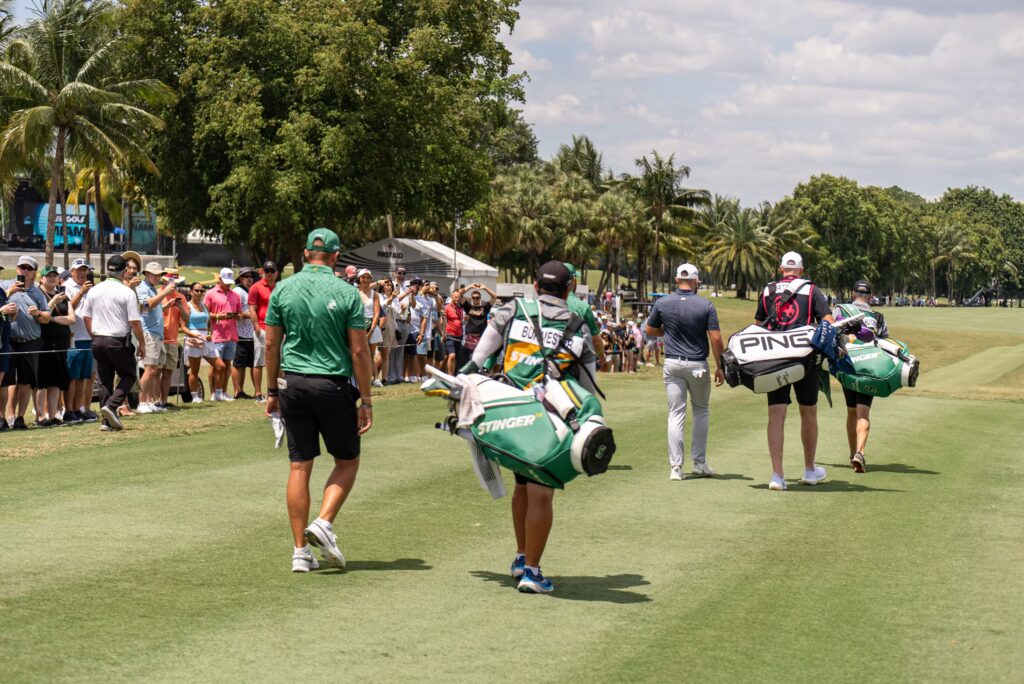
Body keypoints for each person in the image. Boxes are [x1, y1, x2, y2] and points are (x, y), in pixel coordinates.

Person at [465, 261, 597, 594]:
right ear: (569, 290)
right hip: (548, 420)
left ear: (535, 286)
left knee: (522, 486)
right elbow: (588, 387)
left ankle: (522, 556)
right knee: (542, 492)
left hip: (508, 414)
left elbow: (476, 361)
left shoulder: (512, 311)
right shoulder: (577, 325)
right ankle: (532, 572)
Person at [264, 227, 373, 573]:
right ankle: (324, 522)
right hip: (331, 384)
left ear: (307, 253)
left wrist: (271, 391)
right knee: (347, 460)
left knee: (299, 466)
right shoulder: (347, 292)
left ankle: (299, 552)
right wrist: (366, 400)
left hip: (292, 384)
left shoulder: (283, 288)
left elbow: (269, 345)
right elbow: (359, 350)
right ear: (336, 256)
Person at [754, 251, 834, 491]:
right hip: (804, 360)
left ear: (781, 269)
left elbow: (758, 326)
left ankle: (777, 475)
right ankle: (809, 470)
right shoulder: (811, 290)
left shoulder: (768, 291)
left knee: (776, 415)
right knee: (808, 412)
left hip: (775, 360)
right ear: (801, 269)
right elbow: (827, 322)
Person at [645, 264, 725, 481]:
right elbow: (716, 338)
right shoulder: (706, 305)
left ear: (676, 279)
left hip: (672, 364)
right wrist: (720, 366)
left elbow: (650, 330)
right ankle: (699, 463)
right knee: (700, 411)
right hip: (697, 365)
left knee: (675, 414)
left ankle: (676, 468)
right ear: (696, 281)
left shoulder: (662, 302)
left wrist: (668, 331)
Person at [79, 255, 146, 431]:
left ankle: (106, 422)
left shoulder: (94, 290)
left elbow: (86, 316)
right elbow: (135, 322)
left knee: (105, 381)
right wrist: (142, 343)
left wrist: (93, 336)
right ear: (124, 271)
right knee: (129, 375)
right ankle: (112, 406)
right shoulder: (127, 292)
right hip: (117, 340)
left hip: (98, 339)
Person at [834, 279, 889, 474]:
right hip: (869, 367)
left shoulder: (841, 311)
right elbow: (884, 344)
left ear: (853, 293)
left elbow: (833, 335)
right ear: (871, 296)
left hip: (848, 366)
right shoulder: (878, 317)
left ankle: (852, 455)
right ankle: (860, 452)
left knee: (851, 411)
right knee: (863, 412)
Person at [1, 256, 51, 430]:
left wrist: (38, 313)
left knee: (26, 382)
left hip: (31, 342)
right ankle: (4, 417)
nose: (25, 271)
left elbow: (47, 318)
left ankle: (20, 417)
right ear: (16, 269)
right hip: (10, 342)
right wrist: (9, 293)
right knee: (5, 382)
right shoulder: (4, 286)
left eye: (28, 269)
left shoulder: (38, 293)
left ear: (33, 273)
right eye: (22, 267)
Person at [135, 262, 177, 414]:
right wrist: (165, 293)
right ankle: (142, 402)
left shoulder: (152, 289)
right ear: (146, 274)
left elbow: (154, 307)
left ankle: (149, 401)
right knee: (150, 368)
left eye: (159, 274)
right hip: (148, 333)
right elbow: (146, 305)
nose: (157, 277)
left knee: (154, 370)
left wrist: (166, 305)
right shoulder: (142, 288)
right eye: (154, 274)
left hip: (156, 334)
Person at [36, 265, 75, 426]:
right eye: (48, 276)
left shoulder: (63, 295)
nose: (52, 278)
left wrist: (51, 318)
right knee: (42, 382)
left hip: (61, 343)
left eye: (54, 276)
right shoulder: (39, 295)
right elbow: (41, 317)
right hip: (44, 343)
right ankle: (40, 416)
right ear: (41, 279)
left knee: (56, 382)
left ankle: (52, 416)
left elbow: (71, 319)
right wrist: (51, 304)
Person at [63, 259, 97, 423]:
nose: (82, 273)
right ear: (72, 271)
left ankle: (78, 409)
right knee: (72, 377)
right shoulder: (67, 286)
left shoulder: (91, 288)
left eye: (84, 270)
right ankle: (68, 410)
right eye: (79, 270)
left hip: (88, 338)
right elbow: (70, 307)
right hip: (74, 338)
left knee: (84, 376)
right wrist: (81, 292)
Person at [203, 268, 243, 401]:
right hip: (216, 335)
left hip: (231, 335)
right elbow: (205, 314)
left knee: (227, 365)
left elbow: (239, 312)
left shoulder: (235, 295)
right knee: (215, 366)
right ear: (219, 279)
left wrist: (237, 316)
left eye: (230, 282)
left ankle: (224, 392)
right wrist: (218, 316)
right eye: (225, 281)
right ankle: (214, 393)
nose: (228, 284)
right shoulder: (210, 294)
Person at [563, 264, 605, 383]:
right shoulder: (582, 307)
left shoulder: (542, 304)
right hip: (575, 367)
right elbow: (596, 340)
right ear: (573, 280)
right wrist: (601, 357)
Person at [246, 262, 280, 401]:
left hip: (278, 329)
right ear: (263, 272)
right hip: (262, 328)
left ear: (276, 273)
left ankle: (275, 392)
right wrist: (256, 327)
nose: (270, 273)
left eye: (272, 270)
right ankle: (258, 393)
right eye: (267, 270)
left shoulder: (279, 287)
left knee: (277, 362)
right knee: (259, 362)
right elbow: (252, 309)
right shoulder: (256, 287)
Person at [159, 268, 190, 408]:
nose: (173, 284)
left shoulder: (181, 297)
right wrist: (167, 305)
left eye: (175, 282)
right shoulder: (158, 294)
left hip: (172, 340)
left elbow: (186, 319)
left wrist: (179, 306)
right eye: (171, 281)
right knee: (154, 372)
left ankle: (163, 402)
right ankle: (152, 401)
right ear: (165, 280)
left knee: (168, 373)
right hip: (158, 338)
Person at [183, 282, 219, 402]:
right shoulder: (187, 306)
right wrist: (193, 334)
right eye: (196, 290)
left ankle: (217, 394)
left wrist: (210, 333)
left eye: (201, 291)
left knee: (221, 366)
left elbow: (210, 324)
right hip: (194, 338)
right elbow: (183, 327)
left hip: (206, 338)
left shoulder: (204, 306)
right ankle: (194, 397)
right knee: (195, 370)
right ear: (191, 292)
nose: (199, 293)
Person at [231, 267, 259, 399]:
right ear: (240, 279)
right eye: (246, 276)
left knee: (248, 364)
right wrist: (252, 315)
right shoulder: (237, 291)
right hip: (240, 333)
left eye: (251, 276)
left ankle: (243, 391)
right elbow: (236, 312)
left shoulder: (250, 291)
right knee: (238, 363)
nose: (249, 278)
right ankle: (237, 391)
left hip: (251, 333)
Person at [355, 268, 385, 387]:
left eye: (368, 277)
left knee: (371, 355)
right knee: (358, 354)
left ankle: (375, 378)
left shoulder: (375, 294)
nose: (366, 280)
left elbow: (377, 313)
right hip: (357, 326)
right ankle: (359, 378)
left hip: (371, 326)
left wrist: (371, 330)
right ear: (359, 279)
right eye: (363, 277)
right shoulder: (355, 293)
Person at [460, 283, 496, 367]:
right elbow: (460, 294)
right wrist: (470, 286)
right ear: (471, 299)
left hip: (481, 337)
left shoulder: (485, 307)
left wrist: (485, 288)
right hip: (470, 337)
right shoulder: (468, 307)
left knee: (480, 358)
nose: (475, 299)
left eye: (477, 297)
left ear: (480, 298)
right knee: (468, 358)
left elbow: (494, 297)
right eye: (473, 297)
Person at [0, 279, 17, 430]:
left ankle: (1, 418)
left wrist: (13, 314)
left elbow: (8, 319)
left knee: (3, 384)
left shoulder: (1, 292)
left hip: (3, 344)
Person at [376, 279, 399, 384]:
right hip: (381, 324)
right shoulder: (378, 296)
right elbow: (382, 306)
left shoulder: (396, 299)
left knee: (386, 354)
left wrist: (403, 310)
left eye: (390, 285)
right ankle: (375, 377)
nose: (389, 286)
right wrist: (392, 298)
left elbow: (398, 313)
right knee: (378, 353)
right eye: (386, 284)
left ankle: (384, 378)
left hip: (391, 325)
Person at [442, 287, 465, 374]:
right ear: (452, 297)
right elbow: (443, 321)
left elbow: (460, 321)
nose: (457, 299)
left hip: (459, 335)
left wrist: (465, 320)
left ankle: (452, 375)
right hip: (449, 334)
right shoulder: (447, 307)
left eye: (459, 297)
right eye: (455, 297)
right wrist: (443, 333)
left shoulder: (460, 308)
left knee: (456, 357)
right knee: (451, 355)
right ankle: (450, 376)